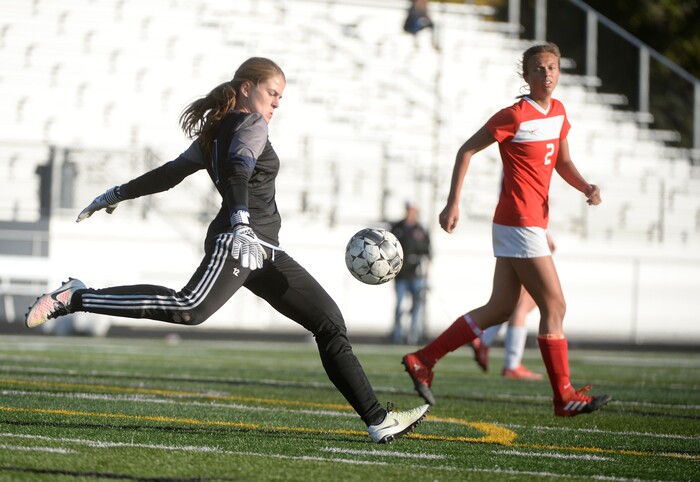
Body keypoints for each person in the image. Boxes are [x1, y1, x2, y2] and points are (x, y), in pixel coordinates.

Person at [24, 57, 429, 443]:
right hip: (237, 240)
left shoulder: (217, 132)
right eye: (272, 93)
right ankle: (75, 296)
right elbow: (236, 169)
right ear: (246, 87)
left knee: (328, 322)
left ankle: (378, 421)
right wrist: (239, 221)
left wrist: (117, 193)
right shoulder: (248, 124)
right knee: (190, 308)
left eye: (280, 98)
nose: (276, 104)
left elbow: (168, 175)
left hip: (264, 248)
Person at [401, 43, 612, 416]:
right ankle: (564, 396)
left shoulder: (559, 113)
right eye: (537, 69)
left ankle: (423, 359)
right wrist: (453, 202)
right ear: (526, 75)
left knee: (500, 308)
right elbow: (466, 150)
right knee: (555, 305)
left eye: (551, 67)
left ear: (559, 72)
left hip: (525, 223)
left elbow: (563, 161)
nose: (546, 74)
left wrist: (585, 187)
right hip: (519, 221)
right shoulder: (515, 115)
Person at [470, 233, 556, 380]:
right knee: (524, 305)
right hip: (525, 234)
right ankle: (511, 363)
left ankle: (485, 340)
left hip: (516, 234)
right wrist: (543, 234)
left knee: (511, 303)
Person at [390, 201, 432, 345]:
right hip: (400, 274)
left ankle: (414, 334)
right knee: (399, 305)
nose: (411, 213)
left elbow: (428, 252)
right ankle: (397, 335)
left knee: (417, 305)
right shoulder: (397, 227)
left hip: (416, 274)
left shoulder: (421, 229)